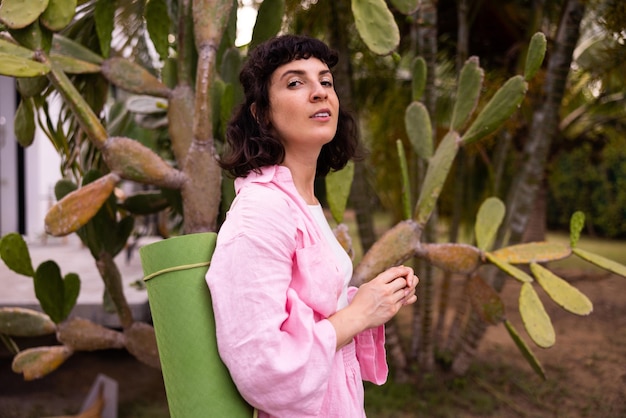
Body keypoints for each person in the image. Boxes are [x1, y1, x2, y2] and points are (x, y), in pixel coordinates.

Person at [205, 34, 418, 418]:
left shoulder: (301, 203)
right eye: (295, 82)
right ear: (261, 113)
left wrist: (372, 299)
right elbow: (260, 367)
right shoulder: (260, 212)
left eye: (325, 81)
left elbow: (314, 309)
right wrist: (359, 314)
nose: (320, 92)